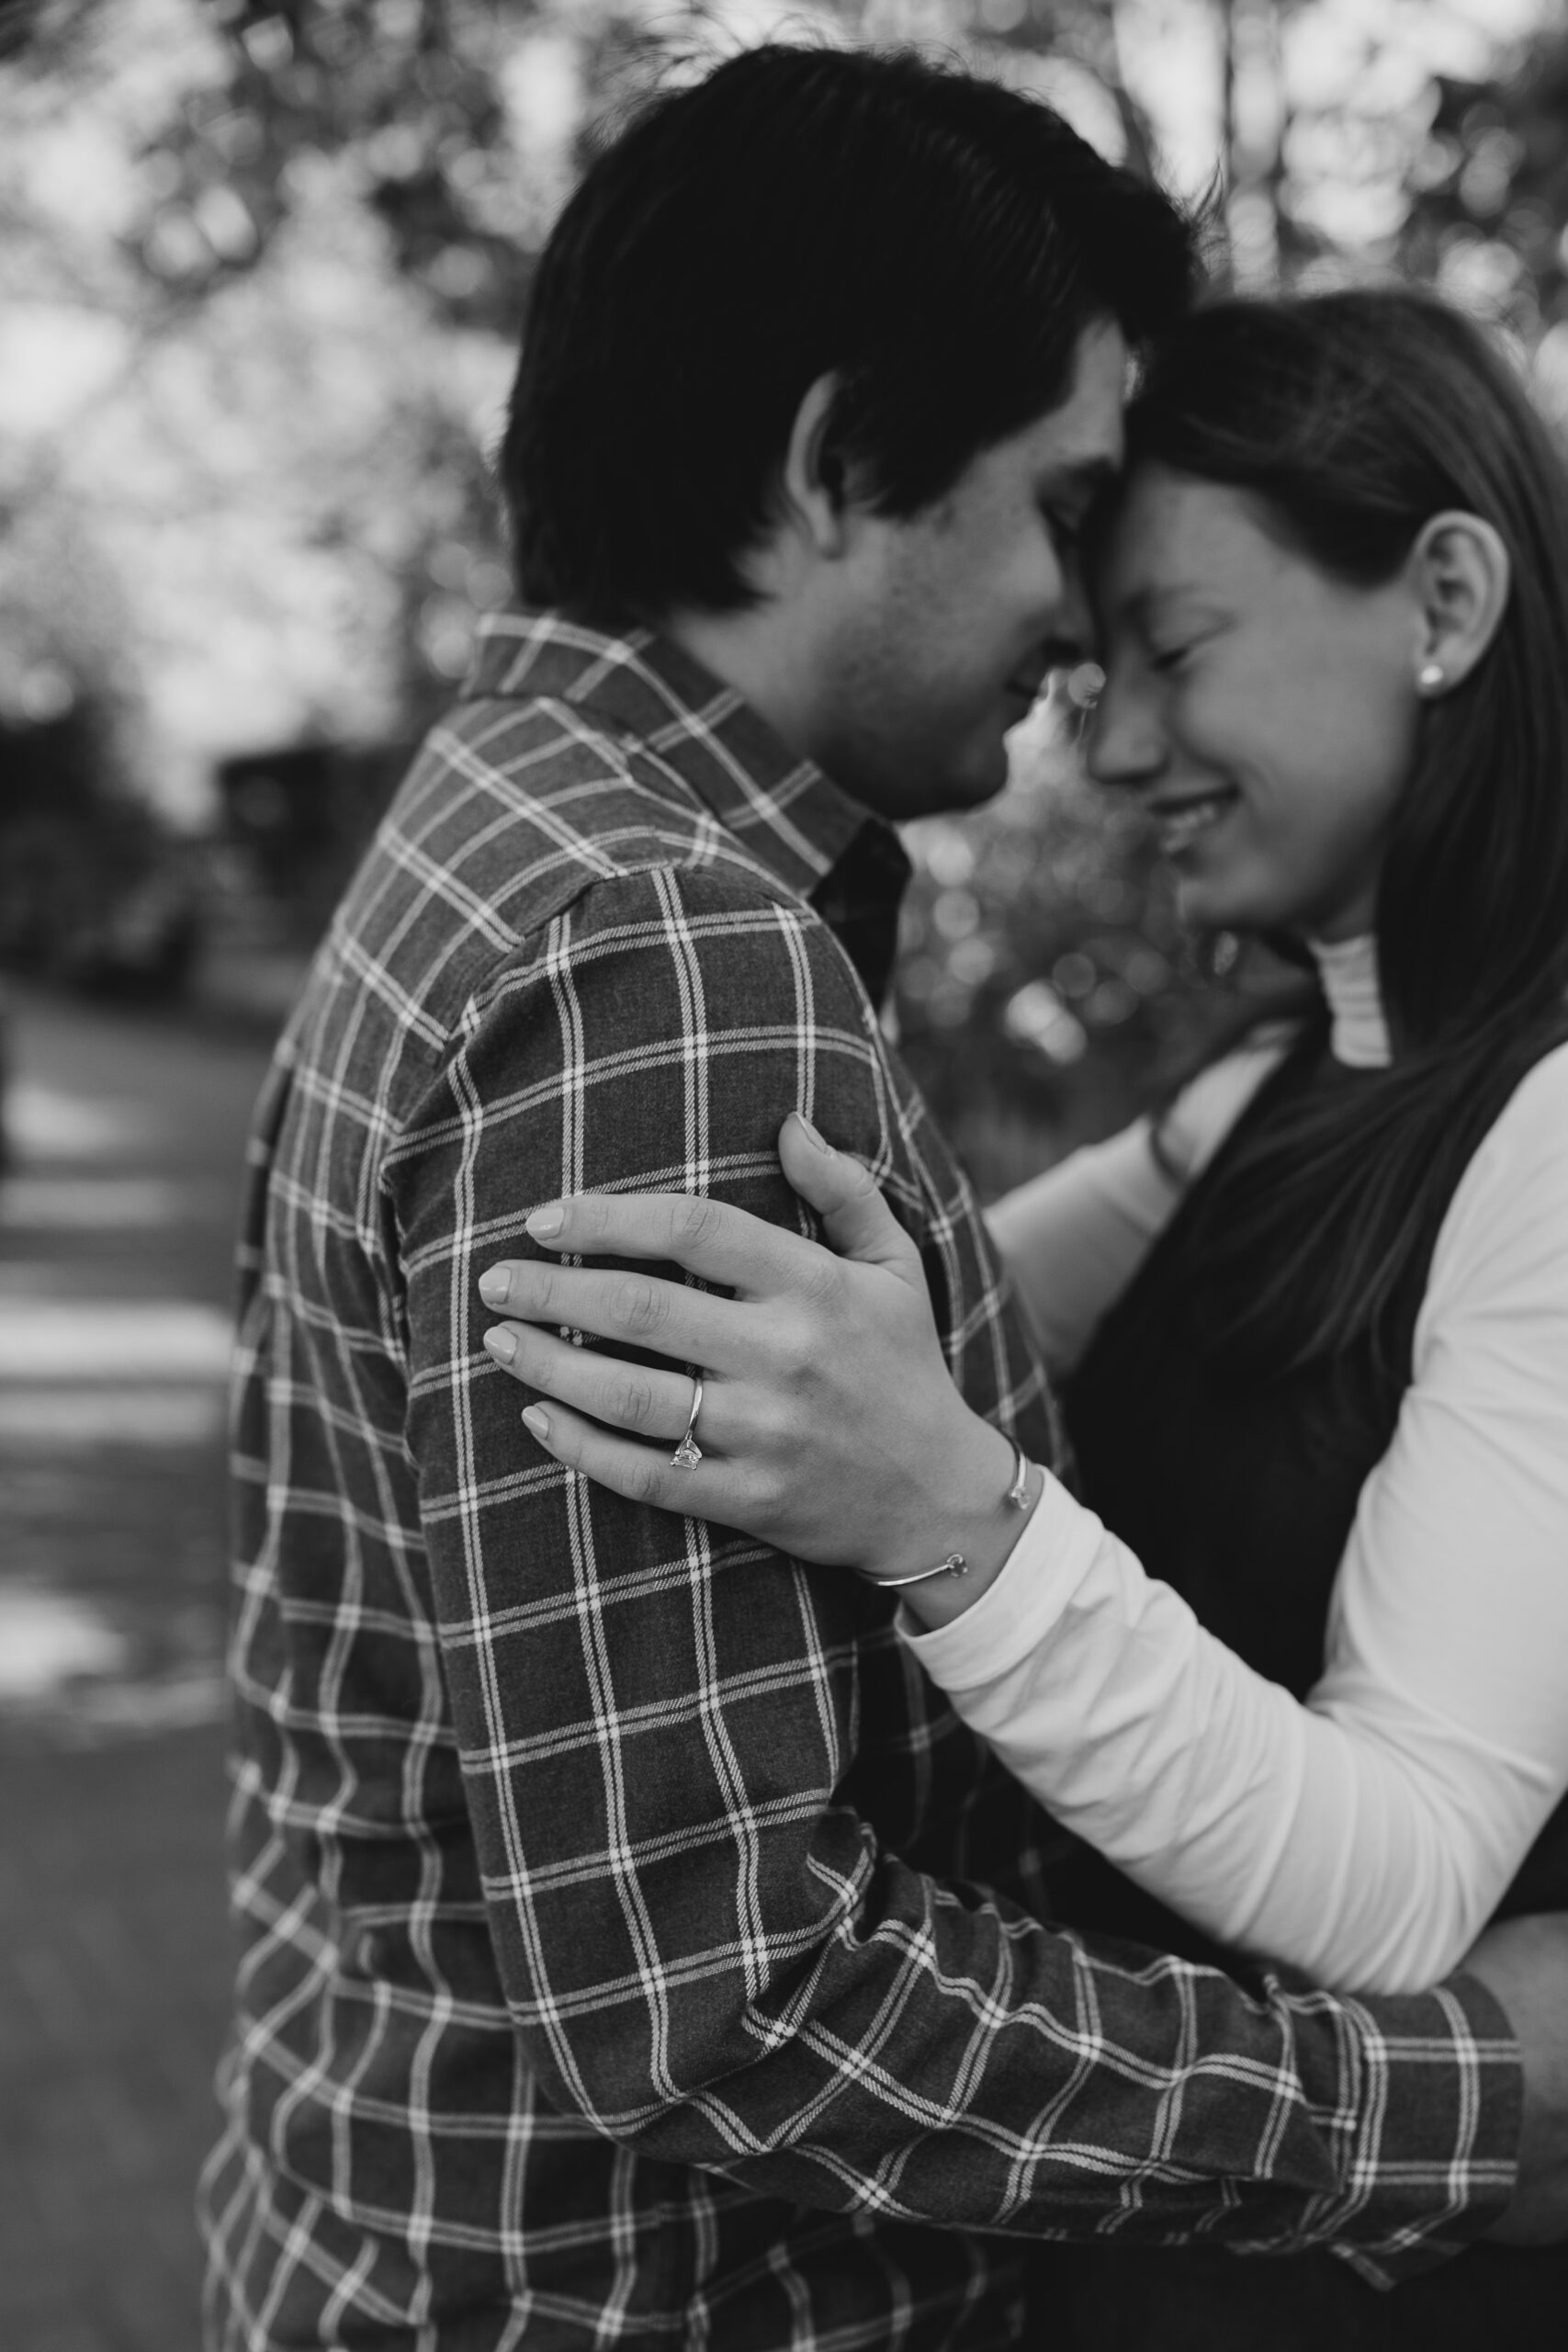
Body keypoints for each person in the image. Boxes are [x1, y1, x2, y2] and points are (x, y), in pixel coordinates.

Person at [199, 43, 1567, 2346]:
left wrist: (948, 1471)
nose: (1084, 686)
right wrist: (1451, 2106)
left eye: (1170, 632)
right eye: (1062, 521)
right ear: (844, 464)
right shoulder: (658, 951)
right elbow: (722, 1991)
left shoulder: (503, 824)